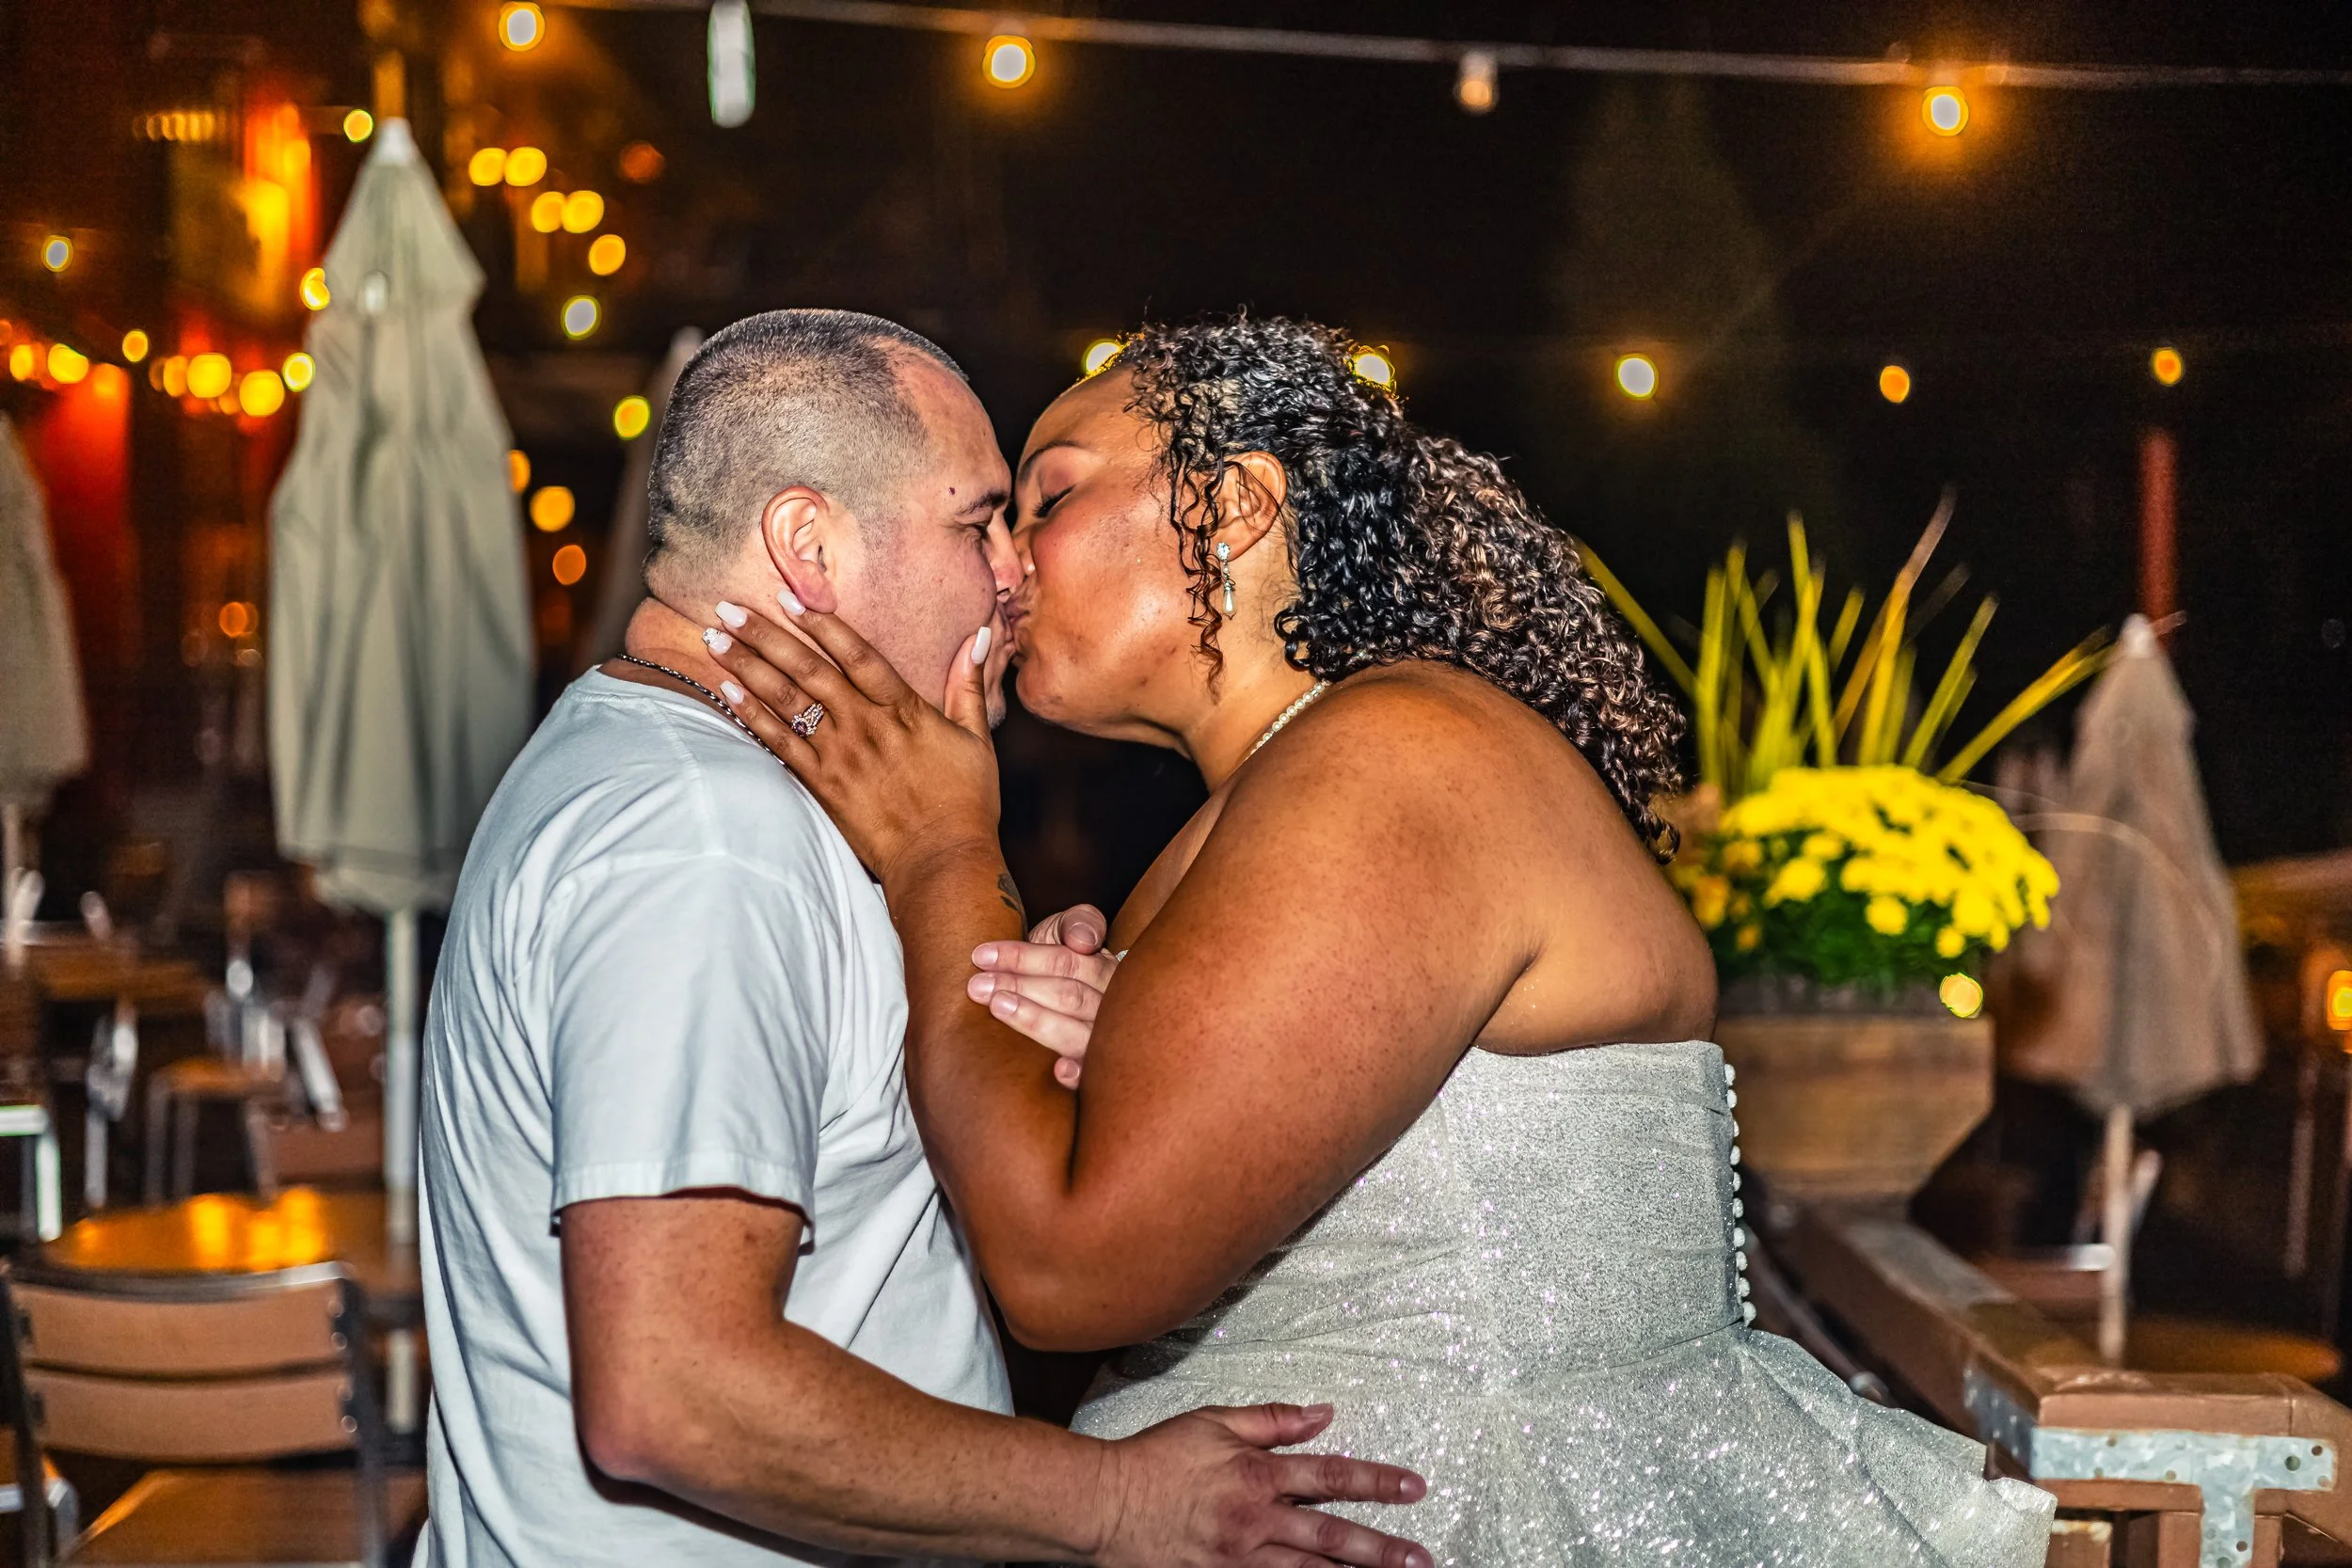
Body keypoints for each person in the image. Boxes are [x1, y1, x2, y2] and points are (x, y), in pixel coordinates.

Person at [704, 313, 2060, 1565]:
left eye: (1048, 499)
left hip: (1487, 1506)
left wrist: (943, 855)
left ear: (1229, 508)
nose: (1001, 566)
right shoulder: (1259, 807)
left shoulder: (1393, 759)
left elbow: (1065, 1263)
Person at [414, 309, 1433, 1568]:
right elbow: (673, 1386)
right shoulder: (705, 833)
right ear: (809, 544)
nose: (1017, 573)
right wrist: (1117, 1502)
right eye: (981, 519)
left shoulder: (665, 775)